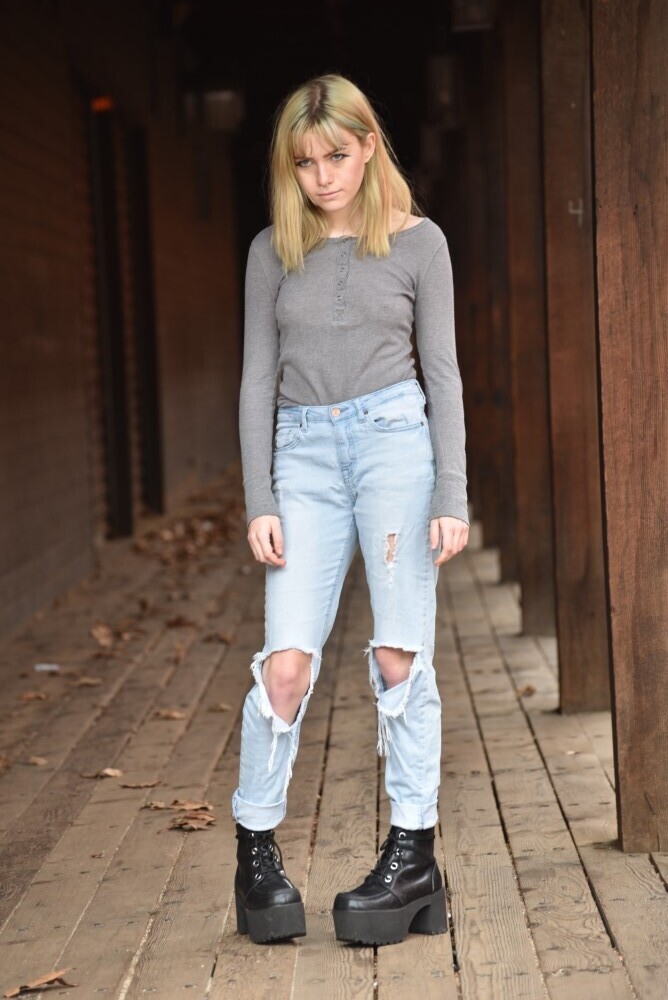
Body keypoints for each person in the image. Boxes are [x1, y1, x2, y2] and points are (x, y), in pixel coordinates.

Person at [232, 72, 469, 947]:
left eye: (336, 155)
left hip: (395, 446)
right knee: (285, 667)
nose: (323, 175)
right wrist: (260, 496)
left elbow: (441, 373)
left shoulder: (420, 243)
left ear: (368, 147)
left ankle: (412, 857)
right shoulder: (272, 251)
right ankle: (256, 858)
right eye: (305, 162)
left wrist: (453, 492)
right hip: (301, 455)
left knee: (399, 656)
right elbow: (256, 379)